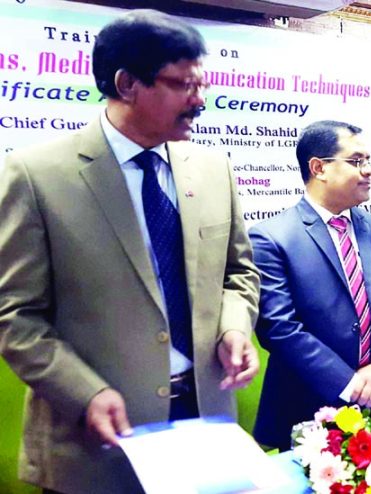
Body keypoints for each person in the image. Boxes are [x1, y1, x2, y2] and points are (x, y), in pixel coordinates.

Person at [0, 10, 261, 493]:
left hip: (205, 429)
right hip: (94, 443)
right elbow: (16, 317)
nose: (199, 100)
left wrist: (233, 326)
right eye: (182, 85)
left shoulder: (212, 168)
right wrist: (85, 392)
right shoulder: (37, 175)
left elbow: (238, 273)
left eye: (200, 84)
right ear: (126, 83)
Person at [250, 120, 371, 450]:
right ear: (319, 168)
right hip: (311, 407)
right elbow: (279, 328)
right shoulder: (272, 238)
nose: (369, 170)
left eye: (369, 161)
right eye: (357, 161)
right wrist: (354, 385)